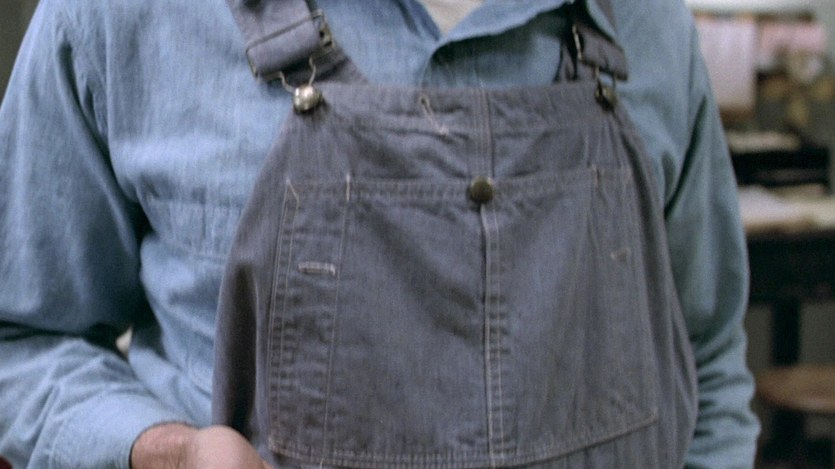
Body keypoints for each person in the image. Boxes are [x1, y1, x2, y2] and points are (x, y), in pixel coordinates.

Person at [0, 0, 759, 467]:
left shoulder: (650, 25)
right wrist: (165, 452)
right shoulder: (123, 17)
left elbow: (706, 356)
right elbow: (21, 338)